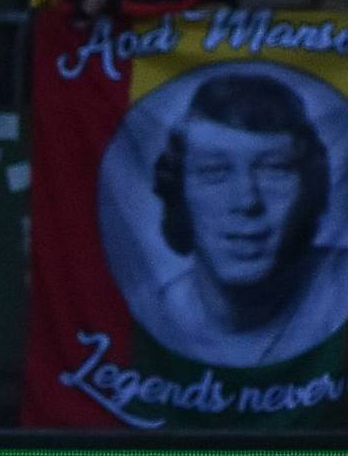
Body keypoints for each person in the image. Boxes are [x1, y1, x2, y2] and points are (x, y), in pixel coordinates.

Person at [147, 73, 348, 370]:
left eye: (274, 169)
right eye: (214, 171)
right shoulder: (149, 318)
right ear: (179, 192)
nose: (247, 201)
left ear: (310, 186)